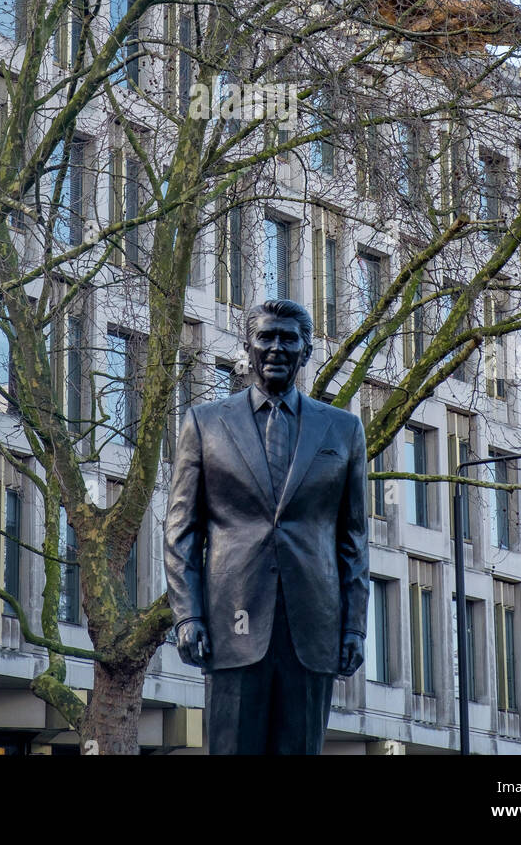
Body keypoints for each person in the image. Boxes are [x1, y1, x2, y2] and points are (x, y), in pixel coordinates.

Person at [163, 298, 369, 755]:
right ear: (248, 347)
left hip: (312, 627)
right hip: (231, 620)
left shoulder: (343, 430)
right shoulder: (204, 423)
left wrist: (354, 627)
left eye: (288, 339)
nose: (276, 347)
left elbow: (353, 540)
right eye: (266, 337)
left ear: (306, 350)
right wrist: (188, 615)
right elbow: (181, 531)